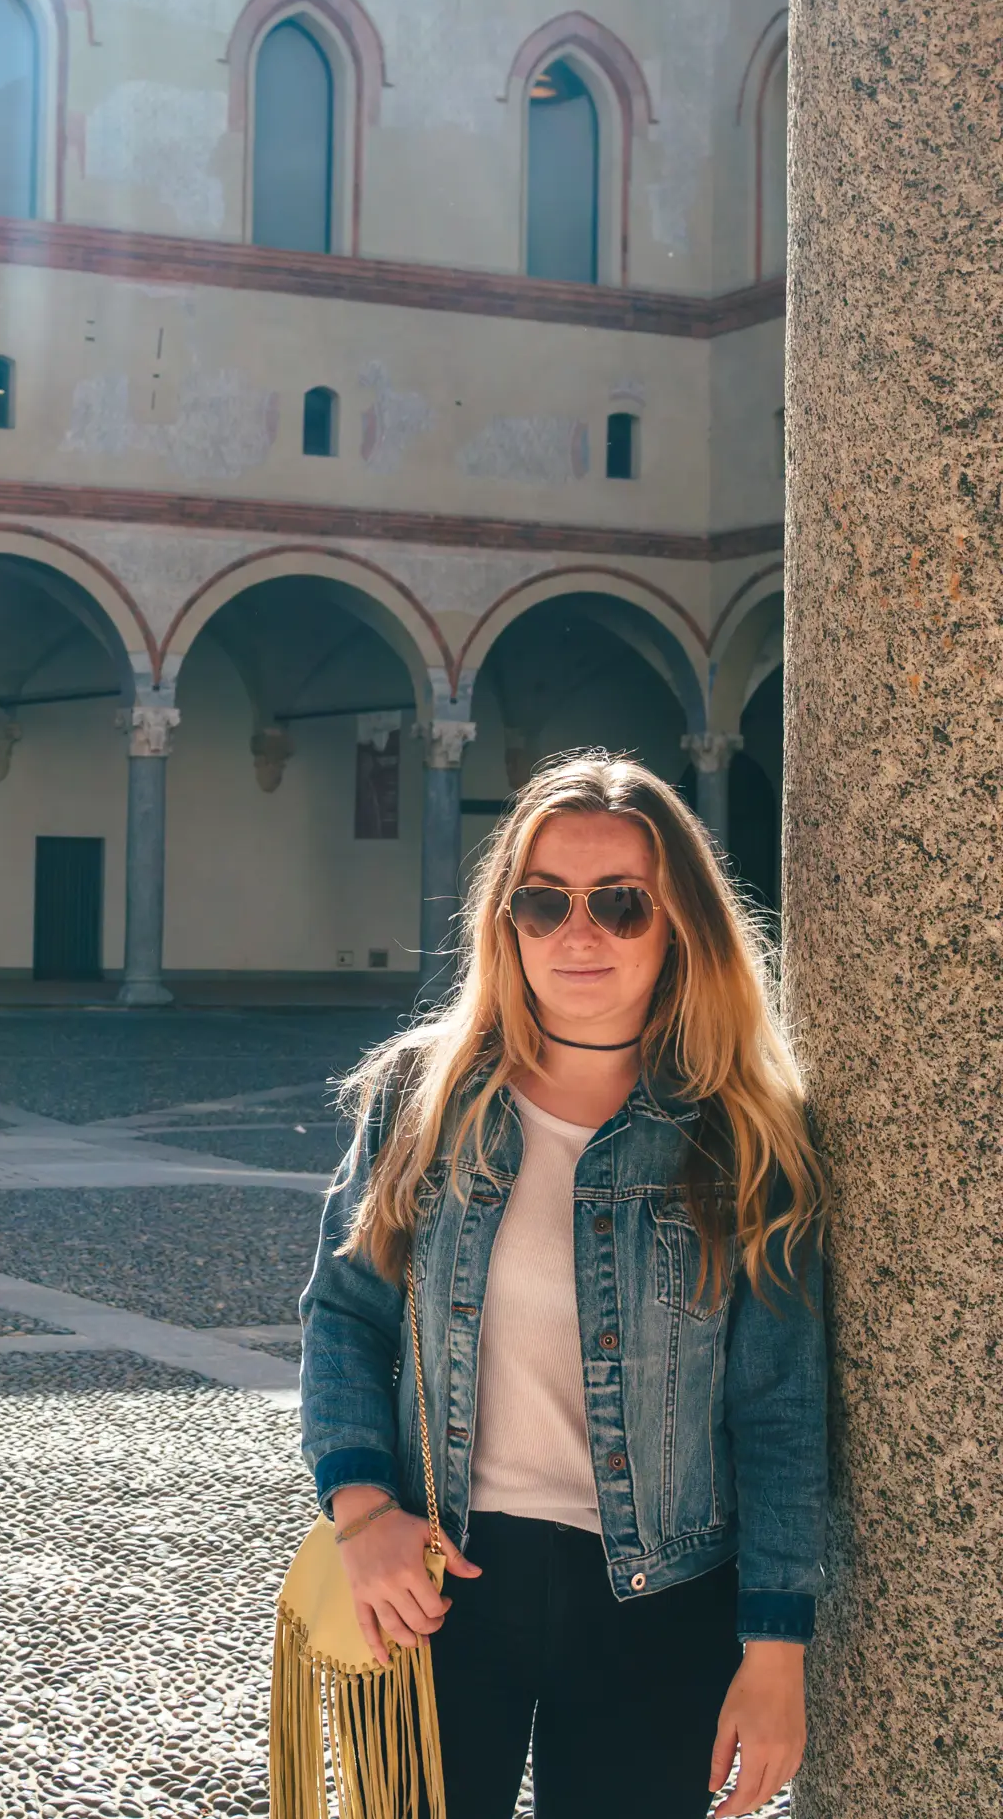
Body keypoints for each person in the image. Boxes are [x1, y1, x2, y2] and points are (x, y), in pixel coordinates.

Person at [298, 753, 828, 1819]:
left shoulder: (746, 1137)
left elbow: (780, 1412)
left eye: (620, 904)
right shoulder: (424, 1098)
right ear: (508, 921)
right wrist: (362, 1515)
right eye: (543, 901)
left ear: (679, 922)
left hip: (660, 1604)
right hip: (434, 1583)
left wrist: (775, 1649)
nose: (576, 933)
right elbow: (346, 1316)